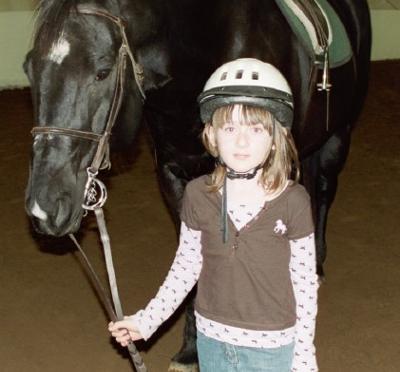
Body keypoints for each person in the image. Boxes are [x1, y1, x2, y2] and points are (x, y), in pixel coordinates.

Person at [109, 58, 319, 372]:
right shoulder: (197, 195)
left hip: (272, 347)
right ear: (212, 136)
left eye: (256, 128)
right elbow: (186, 266)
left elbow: (304, 285)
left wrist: (304, 357)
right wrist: (147, 321)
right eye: (230, 127)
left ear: (276, 140)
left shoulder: (294, 202)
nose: (242, 140)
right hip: (212, 341)